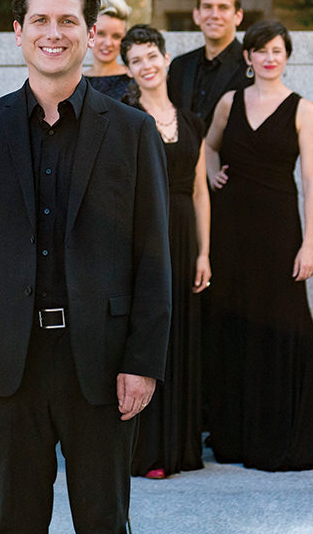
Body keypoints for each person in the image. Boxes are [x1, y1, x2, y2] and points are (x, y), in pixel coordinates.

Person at [0, 0, 171, 534]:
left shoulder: (133, 132)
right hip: (7, 362)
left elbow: (154, 258)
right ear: (18, 32)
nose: (53, 32)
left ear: (91, 34)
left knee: (104, 521)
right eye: (40, 19)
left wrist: (144, 363)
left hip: (103, 362)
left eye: (68, 20)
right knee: (17, 522)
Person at [204, 19, 313, 472]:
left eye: (277, 50)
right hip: (231, 230)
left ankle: (284, 434)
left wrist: (309, 244)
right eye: (260, 50)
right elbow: (206, 148)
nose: (268, 57)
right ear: (248, 57)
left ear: (286, 56)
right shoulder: (229, 102)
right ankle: (236, 436)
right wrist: (211, 171)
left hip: (280, 231)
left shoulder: (304, 109)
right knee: (233, 325)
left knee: (284, 326)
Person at [120, 24, 212, 479]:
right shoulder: (124, 117)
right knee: (150, 337)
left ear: (165, 57)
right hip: (145, 236)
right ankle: (148, 451)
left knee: (183, 339)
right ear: (129, 69)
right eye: (136, 60)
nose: (147, 65)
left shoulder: (191, 119)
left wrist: (204, 253)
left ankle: (181, 449)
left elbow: (199, 191)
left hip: (184, 235)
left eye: (152, 55)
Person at [167, 0, 249, 126]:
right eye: (207, 7)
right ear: (196, 15)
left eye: (223, 7)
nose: (215, 15)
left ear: (238, 16)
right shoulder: (179, 66)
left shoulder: (251, 66)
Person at [84, 0, 132, 102]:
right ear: (89, 34)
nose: (108, 43)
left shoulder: (135, 80)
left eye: (116, 36)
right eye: (101, 33)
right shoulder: (76, 83)